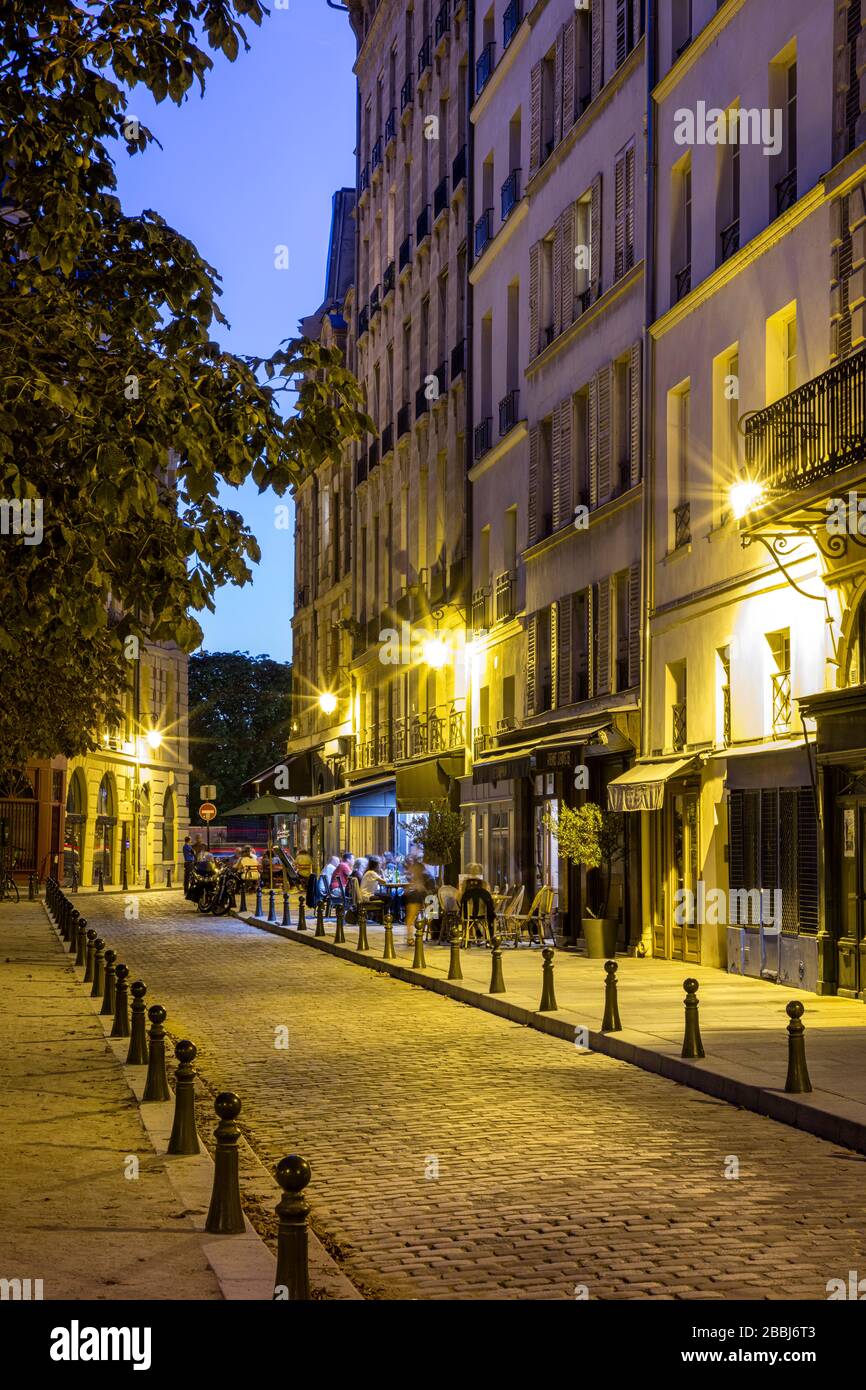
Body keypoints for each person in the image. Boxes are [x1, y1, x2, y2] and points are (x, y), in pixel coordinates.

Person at [460, 862, 496, 943]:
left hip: (468, 913)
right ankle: (489, 938)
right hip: (483, 913)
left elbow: (460, 897)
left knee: (469, 912)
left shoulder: (464, 884)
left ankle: (468, 937)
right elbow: (488, 897)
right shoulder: (484, 884)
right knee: (490, 913)